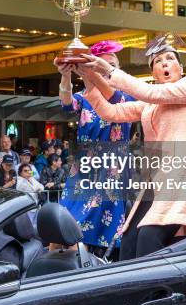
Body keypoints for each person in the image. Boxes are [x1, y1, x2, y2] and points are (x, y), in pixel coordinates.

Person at [80, 33, 186, 260]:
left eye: (170, 58)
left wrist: (109, 71)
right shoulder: (150, 104)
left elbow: (149, 92)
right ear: (153, 73)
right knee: (128, 238)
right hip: (157, 180)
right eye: (158, 61)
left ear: (181, 67)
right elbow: (112, 112)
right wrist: (88, 77)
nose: (165, 63)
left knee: (149, 237)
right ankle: (129, 293)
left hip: (182, 175)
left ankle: (153, 293)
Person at [56, 40, 135, 254]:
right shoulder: (84, 96)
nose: (106, 68)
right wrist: (66, 74)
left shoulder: (126, 95)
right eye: (100, 63)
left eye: (111, 65)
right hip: (84, 164)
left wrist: (90, 74)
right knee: (67, 218)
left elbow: (114, 99)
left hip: (112, 164)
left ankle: (100, 263)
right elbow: (66, 104)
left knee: (103, 220)